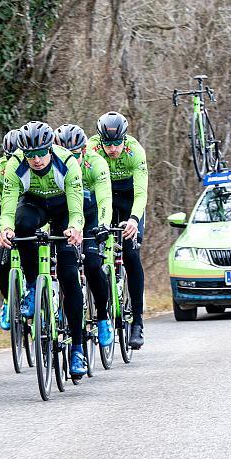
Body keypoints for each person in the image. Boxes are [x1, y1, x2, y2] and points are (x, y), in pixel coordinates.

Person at [0, 121, 87, 377]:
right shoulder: (16, 165)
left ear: (50, 148)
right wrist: (5, 229)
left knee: (69, 275)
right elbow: (8, 208)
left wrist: (75, 228)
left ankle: (77, 349)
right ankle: (34, 284)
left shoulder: (67, 163)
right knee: (21, 226)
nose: (36, 160)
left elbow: (76, 208)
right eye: (30, 155)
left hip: (62, 209)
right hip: (34, 204)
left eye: (41, 153)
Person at [86, 112, 148, 349]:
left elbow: (142, 192)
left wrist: (134, 219)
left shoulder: (135, 151)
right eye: (107, 143)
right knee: (91, 251)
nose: (112, 149)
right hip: (103, 199)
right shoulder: (91, 148)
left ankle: (138, 322)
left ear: (125, 137)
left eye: (116, 143)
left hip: (129, 199)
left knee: (131, 253)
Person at [54, 124, 114, 347]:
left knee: (92, 265)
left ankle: (103, 316)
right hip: (65, 217)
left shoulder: (96, 164)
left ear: (85, 150)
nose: (70, 160)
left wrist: (104, 224)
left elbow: (105, 198)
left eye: (75, 155)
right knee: (62, 266)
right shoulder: (53, 165)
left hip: (90, 215)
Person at [0, 129, 21, 331]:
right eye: (10, 156)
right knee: (1, 254)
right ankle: (7, 300)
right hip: (7, 214)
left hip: (33, 211)